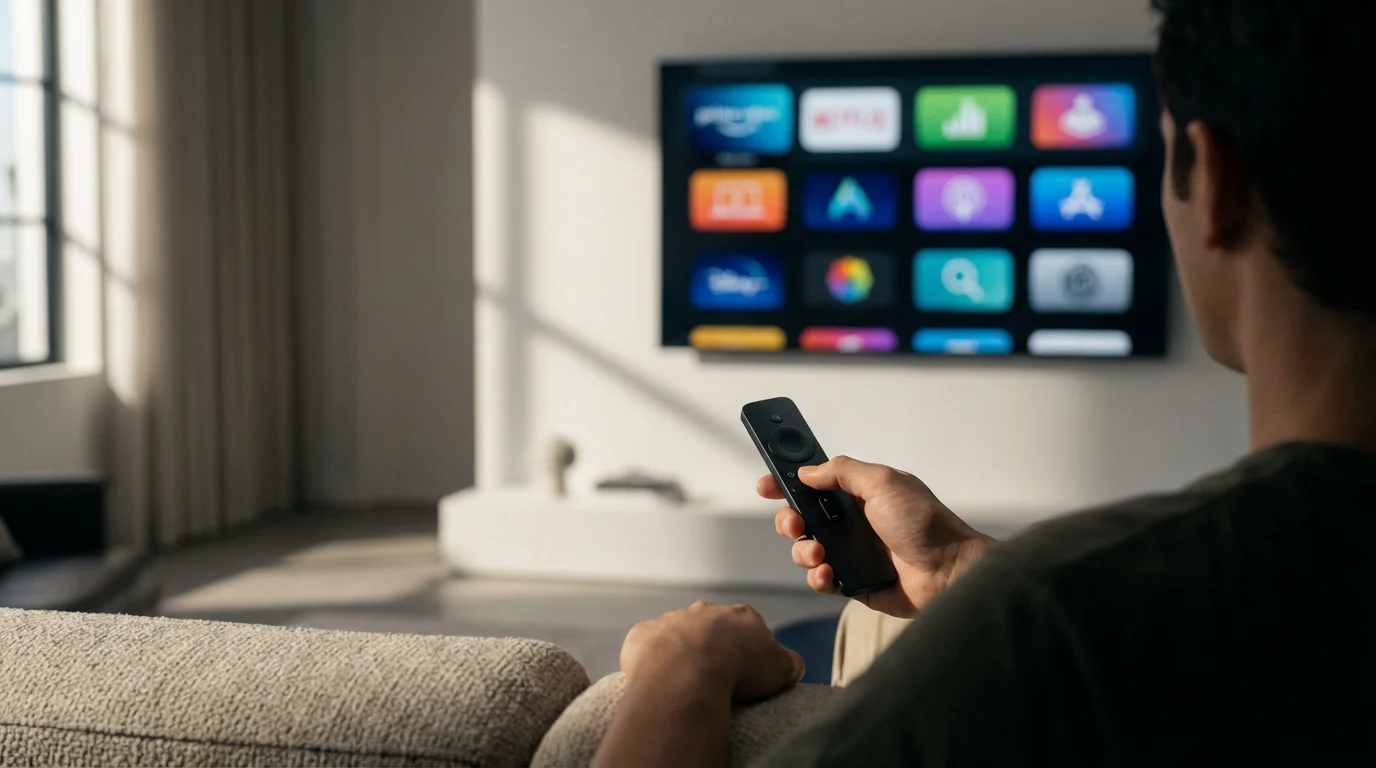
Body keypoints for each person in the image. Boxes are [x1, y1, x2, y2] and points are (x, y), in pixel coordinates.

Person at [593, 0, 1376, 764]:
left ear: (1218, 184)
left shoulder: (1055, 614)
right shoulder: (1070, 602)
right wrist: (969, 568)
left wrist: (683, 666)